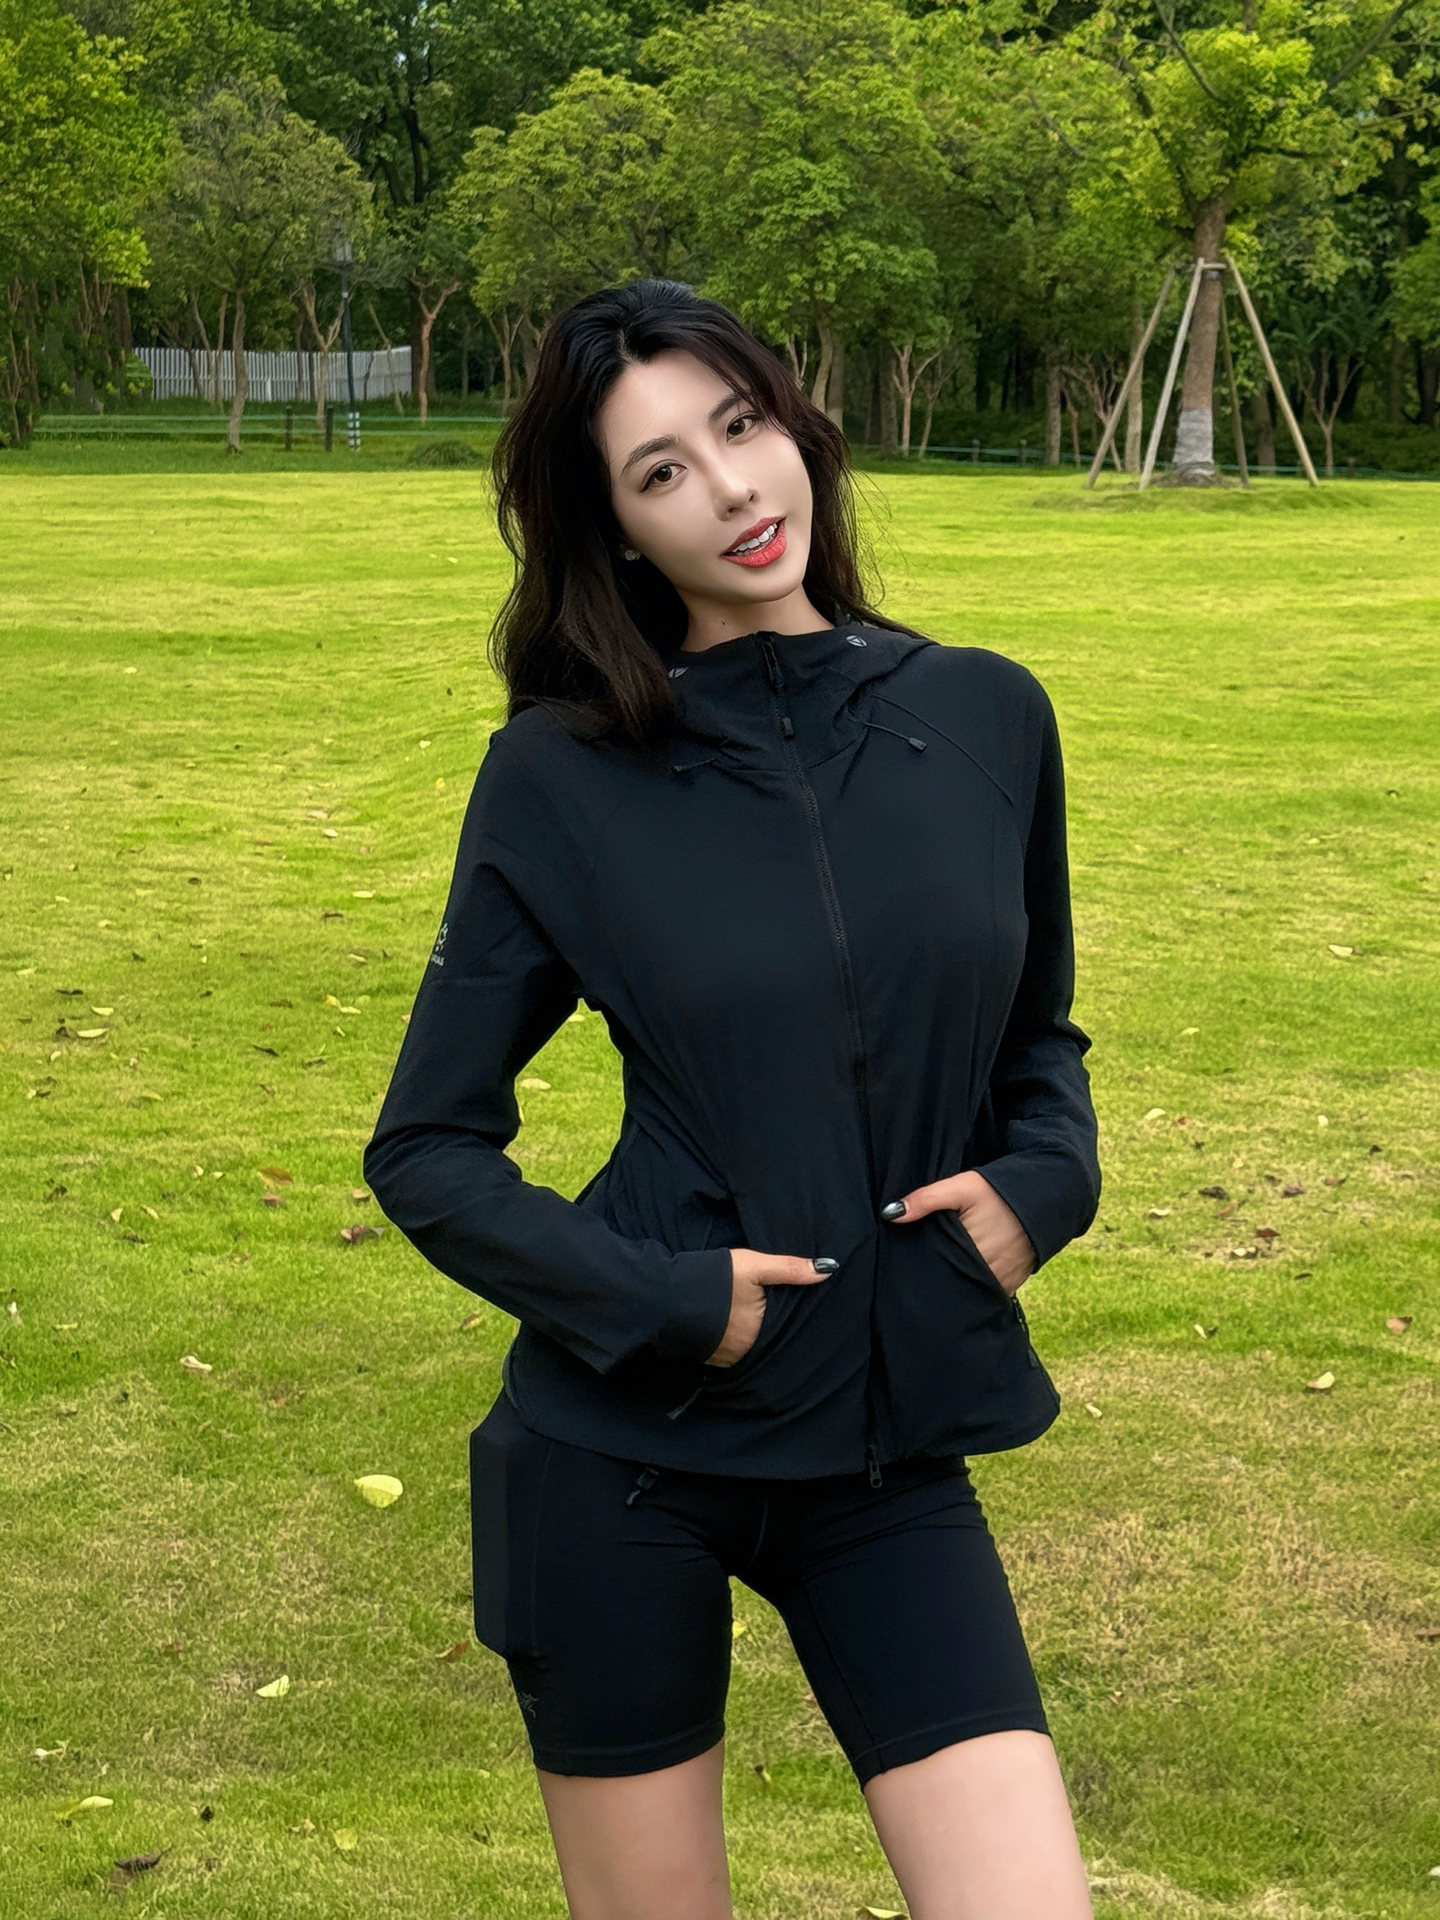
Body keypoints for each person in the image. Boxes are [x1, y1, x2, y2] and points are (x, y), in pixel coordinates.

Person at [365, 277, 1102, 1920]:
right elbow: (427, 1148)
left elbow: (1036, 1042)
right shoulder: (561, 774)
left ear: (796, 424)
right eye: (661, 472)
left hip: (890, 1464)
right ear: (618, 529)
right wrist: (666, 1301)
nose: (730, 489)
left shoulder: (987, 714)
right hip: (617, 1461)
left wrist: (1046, 1186)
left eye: (739, 426)